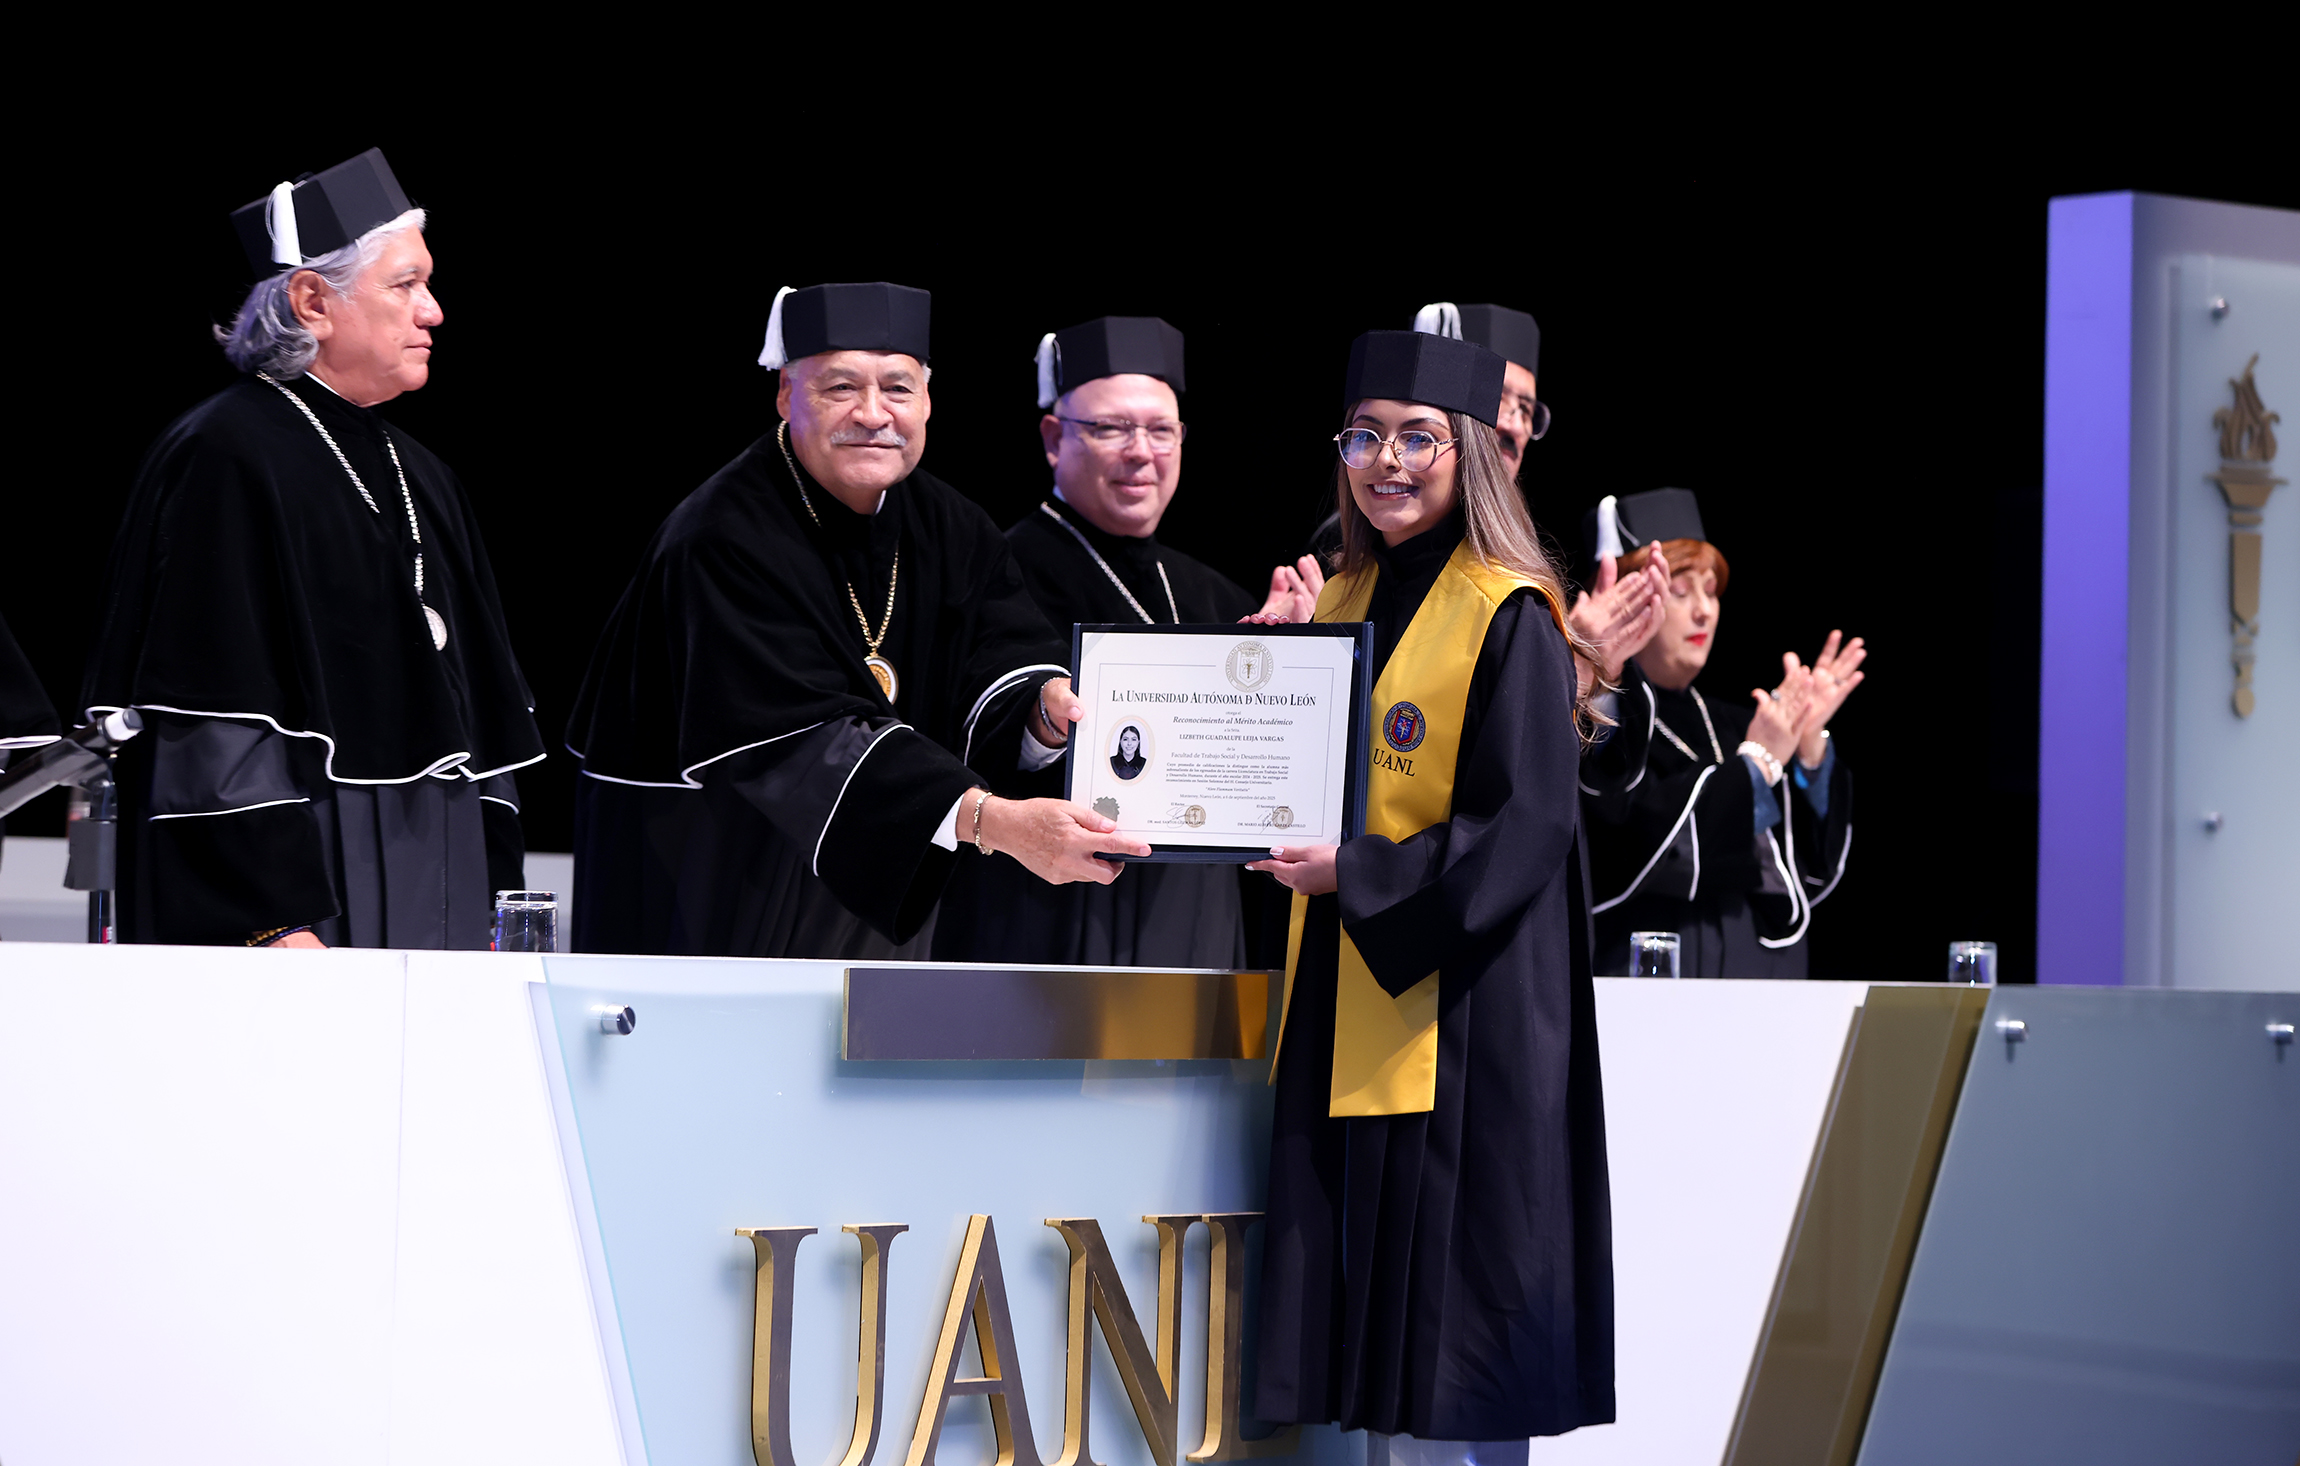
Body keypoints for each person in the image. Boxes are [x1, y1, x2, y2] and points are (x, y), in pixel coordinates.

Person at [1249, 329, 1614, 1454]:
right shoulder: (1340, 597)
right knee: (1370, 1347)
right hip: (1351, 987)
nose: (1386, 463)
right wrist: (1260, 674)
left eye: (1417, 439)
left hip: (1465, 1014)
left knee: (1454, 1341)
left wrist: (1355, 873)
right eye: (1363, 438)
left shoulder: (1511, 612)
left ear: (1472, 453)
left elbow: (1526, 826)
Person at [567, 283, 1148, 960]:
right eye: (841, 387)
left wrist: (1043, 713)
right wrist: (990, 820)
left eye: (898, 388)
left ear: (927, 401)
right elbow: (793, 736)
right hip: (712, 881)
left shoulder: (951, 527)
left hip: (871, 898)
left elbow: (1001, 654)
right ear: (786, 393)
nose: (873, 414)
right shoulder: (721, 536)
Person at [80, 150, 541, 949]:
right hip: (301, 888)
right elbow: (212, 709)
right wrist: (271, 919)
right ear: (311, 301)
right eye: (405, 285)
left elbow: (478, 715)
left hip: (442, 882)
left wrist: (497, 898)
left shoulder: (426, 476)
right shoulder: (224, 454)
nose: (433, 312)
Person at [931, 315, 1317, 969]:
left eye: (1162, 430)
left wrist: (1282, 661)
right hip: (1038, 919)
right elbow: (966, 741)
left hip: (1196, 924)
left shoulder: (1214, 594)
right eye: (1111, 428)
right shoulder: (993, 571)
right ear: (1054, 438)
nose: (1142, 452)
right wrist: (1042, 720)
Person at [1577, 489, 1861, 977]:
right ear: (1626, 599)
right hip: (1647, 968)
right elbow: (1623, 838)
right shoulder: (1599, 719)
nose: (1704, 611)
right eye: (1681, 592)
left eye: (1710, 592)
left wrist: (1808, 745)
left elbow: (1803, 869)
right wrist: (1756, 765)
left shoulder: (1737, 722)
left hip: (1759, 972)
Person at [1409, 300, 1668, 695]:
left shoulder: (1523, 556)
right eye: (1497, 397)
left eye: (1526, 410)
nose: (1514, 425)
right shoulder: (1378, 531)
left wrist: (1578, 665)